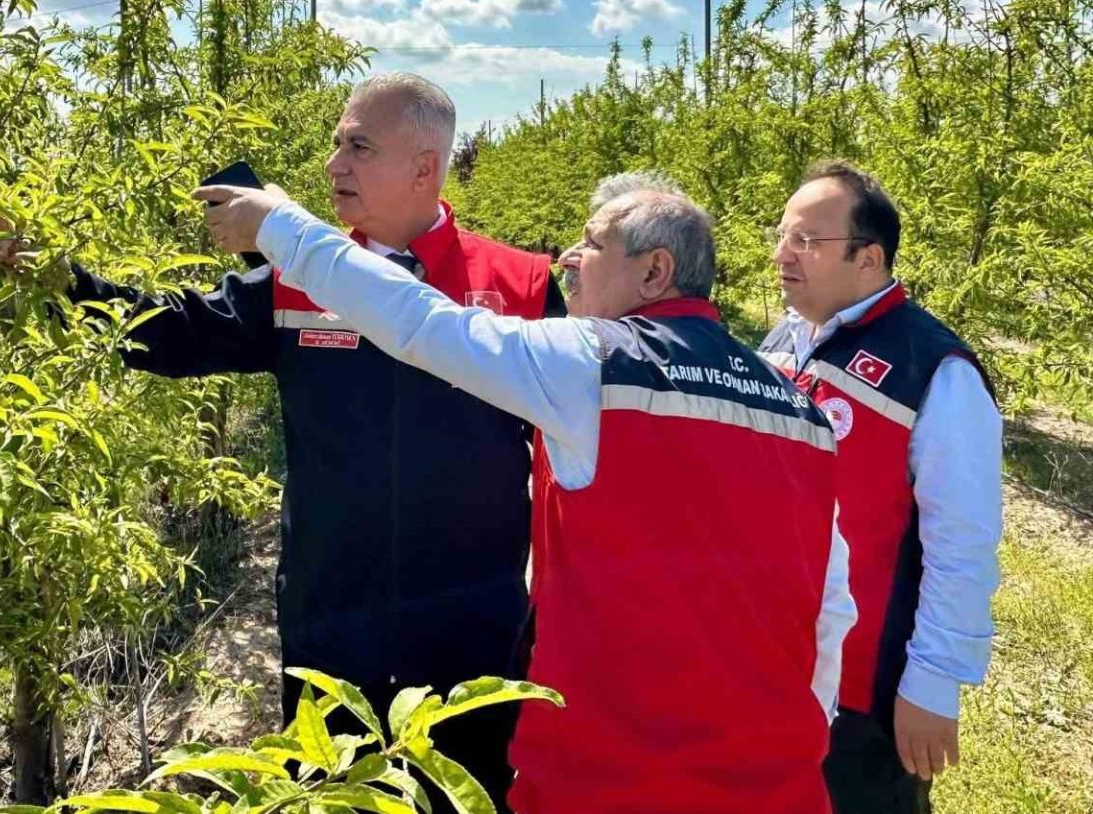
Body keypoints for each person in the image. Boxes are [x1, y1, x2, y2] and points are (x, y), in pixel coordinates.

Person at [0, 73, 564, 810]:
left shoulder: (522, 287)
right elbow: (167, 332)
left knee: (462, 798)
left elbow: (574, 456)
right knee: (330, 797)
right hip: (332, 629)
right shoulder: (296, 281)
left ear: (424, 167)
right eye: (336, 143)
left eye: (358, 146)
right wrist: (59, 279)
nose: (333, 164)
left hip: (471, 635)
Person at [197, 171, 856, 814]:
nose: (568, 258)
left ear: (655, 272)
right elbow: (831, 612)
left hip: (610, 778)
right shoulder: (797, 408)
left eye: (593, 243)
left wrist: (281, 227)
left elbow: (419, 322)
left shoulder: (594, 364)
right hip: (777, 781)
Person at [758, 161, 1002, 814]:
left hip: (864, 689)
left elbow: (963, 544)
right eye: (781, 236)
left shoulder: (936, 369)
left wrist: (934, 683)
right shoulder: (783, 340)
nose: (782, 255)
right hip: (773, 657)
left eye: (806, 240)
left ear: (868, 258)